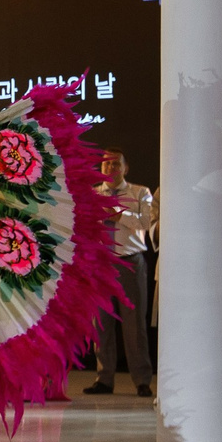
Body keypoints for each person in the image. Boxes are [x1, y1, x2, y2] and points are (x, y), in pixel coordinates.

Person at [83, 148, 154, 397]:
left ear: (125, 168)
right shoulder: (93, 193)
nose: (110, 169)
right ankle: (104, 379)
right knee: (100, 324)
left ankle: (142, 380)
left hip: (129, 262)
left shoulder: (140, 192)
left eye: (115, 165)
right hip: (101, 264)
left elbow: (145, 223)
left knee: (135, 326)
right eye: (105, 165)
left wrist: (117, 213)